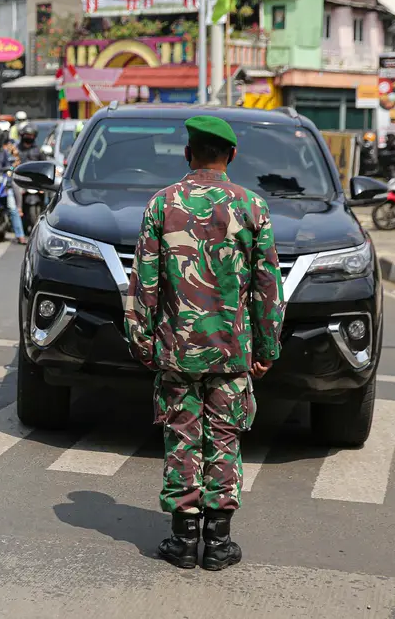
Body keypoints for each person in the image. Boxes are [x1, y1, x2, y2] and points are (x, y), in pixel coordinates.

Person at [126, 115, 284, 572]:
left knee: (182, 436)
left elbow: (145, 283)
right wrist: (267, 348)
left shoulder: (162, 204)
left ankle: (182, 540)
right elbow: (266, 284)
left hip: (177, 349)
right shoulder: (252, 206)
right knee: (225, 438)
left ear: (187, 154)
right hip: (233, 350)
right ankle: (218, 543)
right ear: (231, 156)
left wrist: (142, 341)